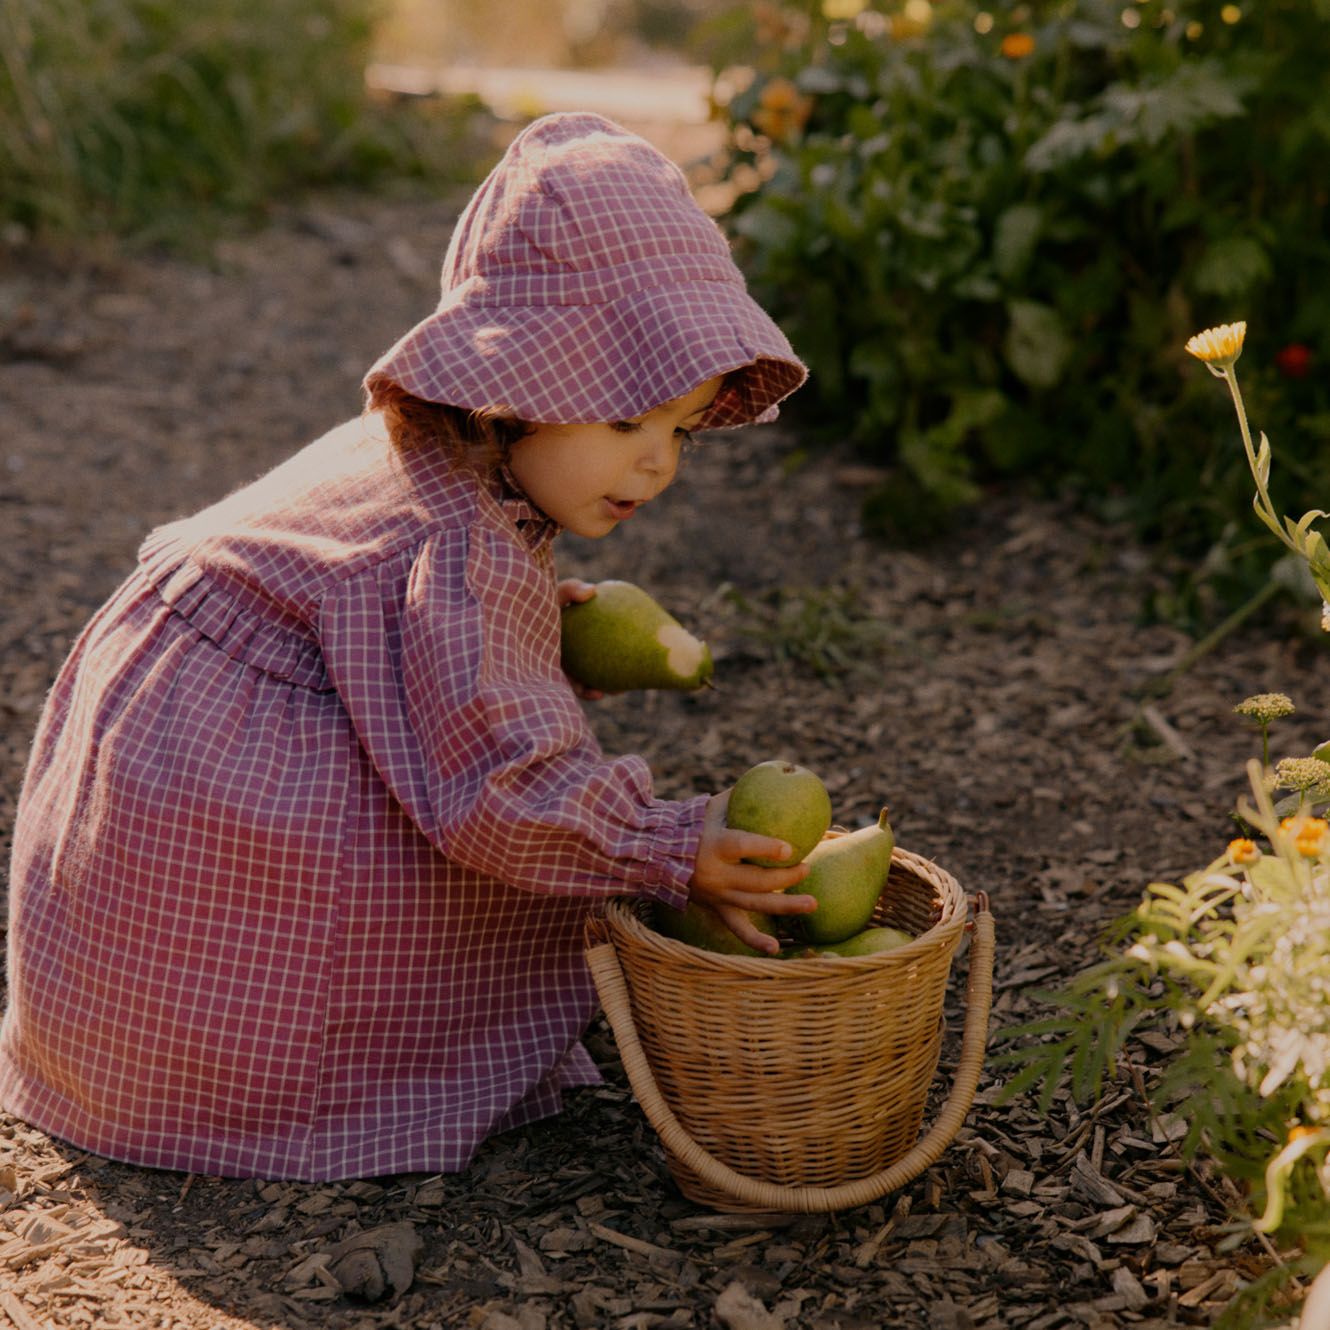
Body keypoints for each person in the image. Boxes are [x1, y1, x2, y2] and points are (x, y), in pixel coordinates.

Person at [0, 112, 814, 1183]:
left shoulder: (430, 455)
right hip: (219, 880)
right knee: (476, 857)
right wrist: (661, 846)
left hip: (124, 933)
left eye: (681, 428)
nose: (657, 463)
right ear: (523, 387)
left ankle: (157, 1056)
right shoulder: (457, 551)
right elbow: (498, 784)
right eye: (627, 424)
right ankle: (339, 1077)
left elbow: (369, 611)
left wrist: (527, 622)